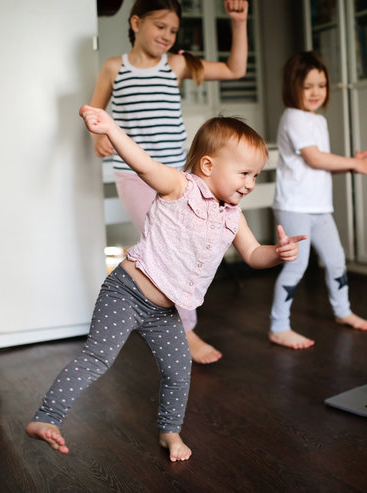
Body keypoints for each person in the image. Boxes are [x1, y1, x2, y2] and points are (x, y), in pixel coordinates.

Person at [26, 104, 306, 462]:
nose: (250, 184)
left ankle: (169, 433)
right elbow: (142, 164)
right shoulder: (180, 186)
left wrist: (278, 253)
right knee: (98, 357)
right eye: (245, 173)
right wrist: (110, 128)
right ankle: (46, 418)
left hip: (164, 311)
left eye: (255, 176)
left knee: (178, 371)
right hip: (126, 291)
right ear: (208, 165)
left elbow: (253, 254)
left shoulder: (232, 216)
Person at [89, 0, 250, 364]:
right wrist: (98, 135)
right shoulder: (114, 67)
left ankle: (164, 323)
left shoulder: (175, 64)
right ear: (135, 22)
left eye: (173, 30)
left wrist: (238, 23)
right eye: (160, 26)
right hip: (133, 175)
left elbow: (235, 69)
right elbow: (94, 112)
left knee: (186, 247)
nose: (167, 35)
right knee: (164, 249)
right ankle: (185, 332)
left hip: (178, 176)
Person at [268, 52, 367, 350]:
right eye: (308, 86)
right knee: (297, 265)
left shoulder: (317, 119)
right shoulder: (293, 117)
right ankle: (279, 327)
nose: (316, 92)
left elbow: (321, 163)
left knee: (335, 260)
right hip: (294, 206)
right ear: (293, 87)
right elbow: (315, 158)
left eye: (321, 85)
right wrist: (352, 163)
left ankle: (342, 311)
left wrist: (351, 165)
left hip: (319, 206)